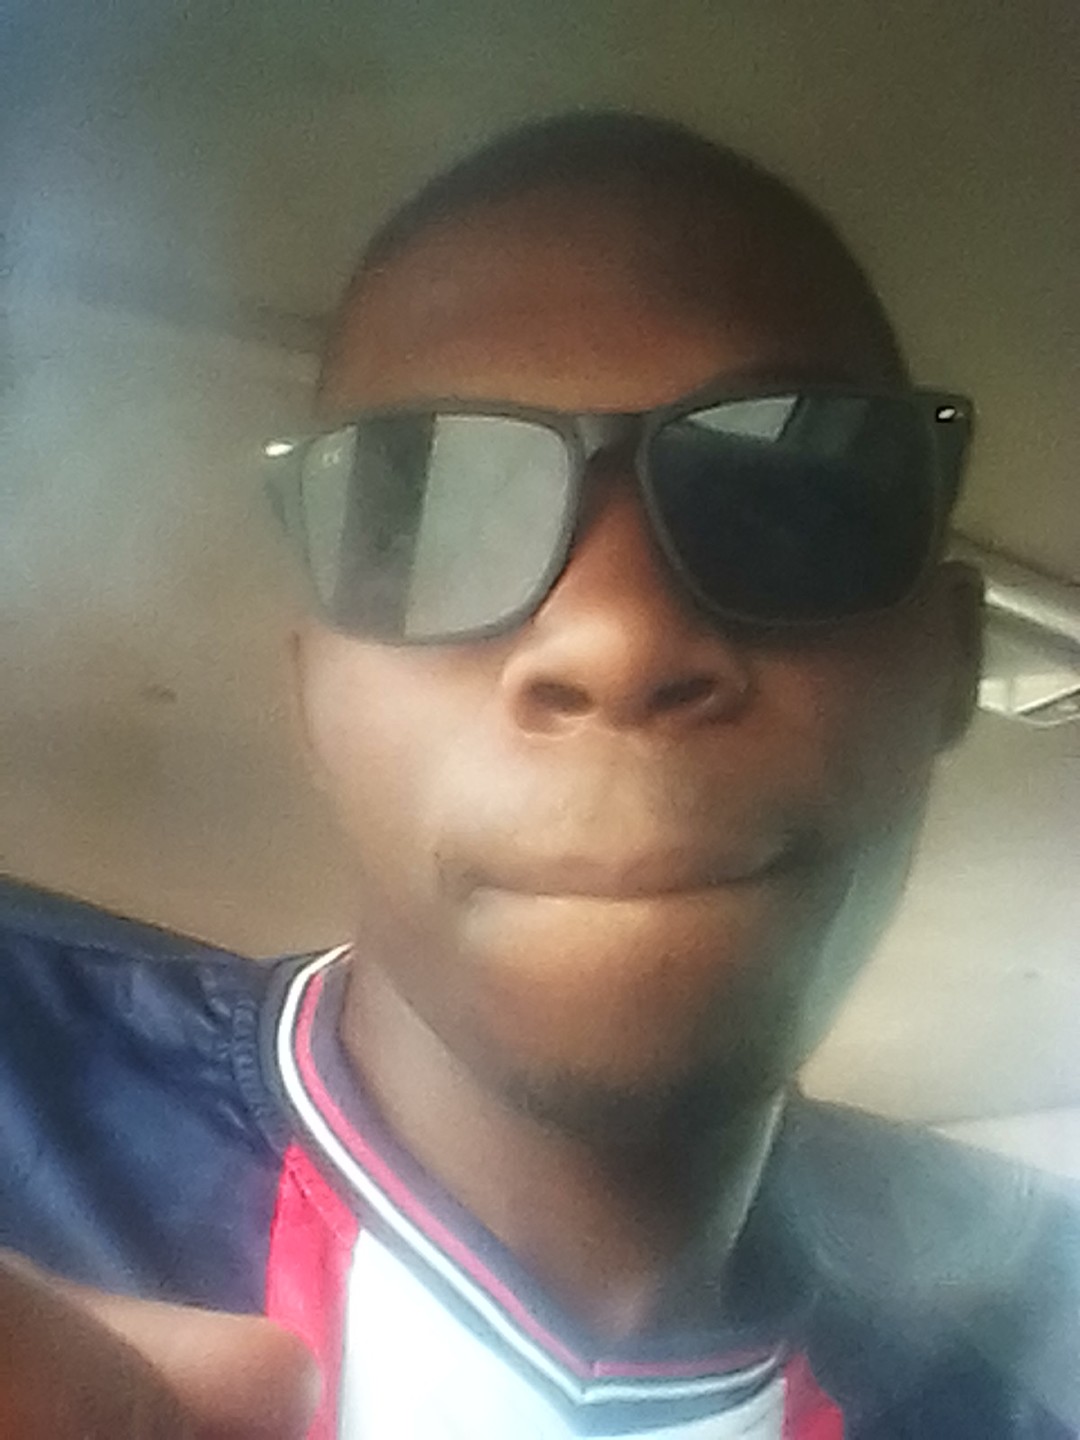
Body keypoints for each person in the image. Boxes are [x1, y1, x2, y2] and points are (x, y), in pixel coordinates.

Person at [0, 112, 1075, 1439]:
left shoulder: (1040, 1357)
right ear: (314, 704)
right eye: (432, 506)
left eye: (789, 501)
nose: (617, 637)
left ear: (951, 663)